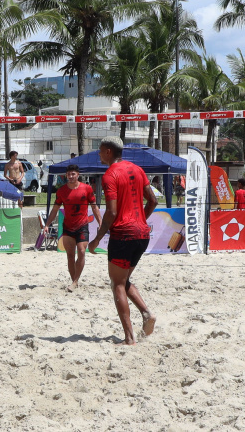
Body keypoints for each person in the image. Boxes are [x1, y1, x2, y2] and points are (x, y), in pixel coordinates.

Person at [88, 136, 158, 346]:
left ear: (109, 152)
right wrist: (139, 221)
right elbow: (153, 201)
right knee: (123, 279)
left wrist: (97, 238)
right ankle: (146, 314)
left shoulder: (110, 174)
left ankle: (129, 338)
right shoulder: (137, 169)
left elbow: (111, 211)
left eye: (100, 150)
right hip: (142, 234)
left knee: (117, 284)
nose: (98, 154)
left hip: (123, 234)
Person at [44, 164, 102, 292]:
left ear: (78, 175)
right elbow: (55, 210)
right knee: (70, 256)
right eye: (68, 174)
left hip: (82, 225)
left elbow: (94, 207)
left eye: (73, 174)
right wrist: (47, 225)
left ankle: (75, 281)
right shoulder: (61, 191)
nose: (70, 177)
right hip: (68, 227)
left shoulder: (86, 189)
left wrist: (101, 223)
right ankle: (74, 281)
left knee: (81, 252)